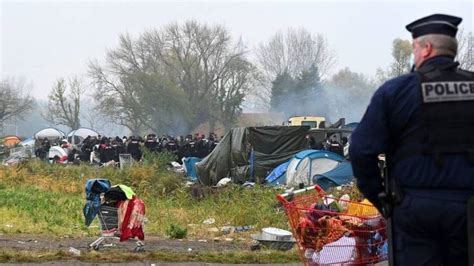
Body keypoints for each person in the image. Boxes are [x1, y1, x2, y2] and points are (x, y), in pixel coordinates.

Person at [349, 14, 473, 265]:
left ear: (426, 49)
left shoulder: (395, 91)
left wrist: (381, 198)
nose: (413, 54)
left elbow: (361, 150)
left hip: (415, 212)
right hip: (469, 210)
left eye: (414, 47)